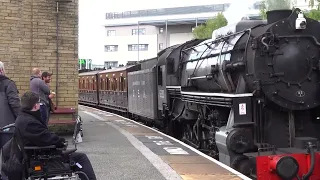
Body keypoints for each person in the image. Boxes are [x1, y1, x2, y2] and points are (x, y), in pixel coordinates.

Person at [1, 91, 97, 180]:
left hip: (34, 153)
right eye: (39, 103)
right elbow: (47, 139)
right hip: (42, 156)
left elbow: (43, 136)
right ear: (35, 106)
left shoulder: (23, 117)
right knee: (81, 158)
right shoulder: (30, 122)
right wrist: (61, 141)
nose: (40, 105)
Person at [0, 61, 21, 128]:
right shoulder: (8, 84)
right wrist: (21, 119)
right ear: (1, 70)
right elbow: (15, 104)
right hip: (6, 127)